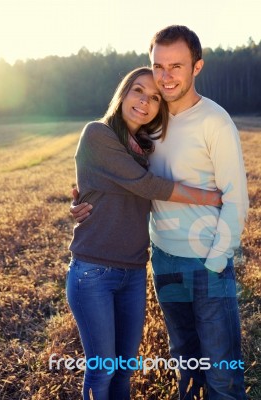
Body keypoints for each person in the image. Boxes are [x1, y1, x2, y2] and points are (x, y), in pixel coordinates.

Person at [72, 26, 249, 400]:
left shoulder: (214, 121)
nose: (166, 77)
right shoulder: (152, 125)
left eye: (176, 66)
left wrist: (217, 261)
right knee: (185, 362)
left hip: (206, 261)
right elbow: (128, 179)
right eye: (158, 67)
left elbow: (236, 197)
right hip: (163, 261)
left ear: (196, 67)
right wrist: (82, 196)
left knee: (221, 371)